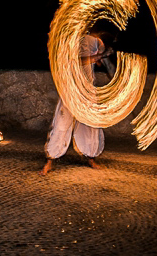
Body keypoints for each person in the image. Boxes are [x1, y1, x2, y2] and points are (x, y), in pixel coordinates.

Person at [41, 28, 114, 174]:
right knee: (61, 124)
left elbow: (102, 63)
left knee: (90, 126)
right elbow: (75, 61)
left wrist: (114, 75)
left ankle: (91, 159)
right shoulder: (70, 41)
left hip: (87, 91)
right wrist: (100, 56)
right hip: (71, 90)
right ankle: (50, 161)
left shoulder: (97, 43)